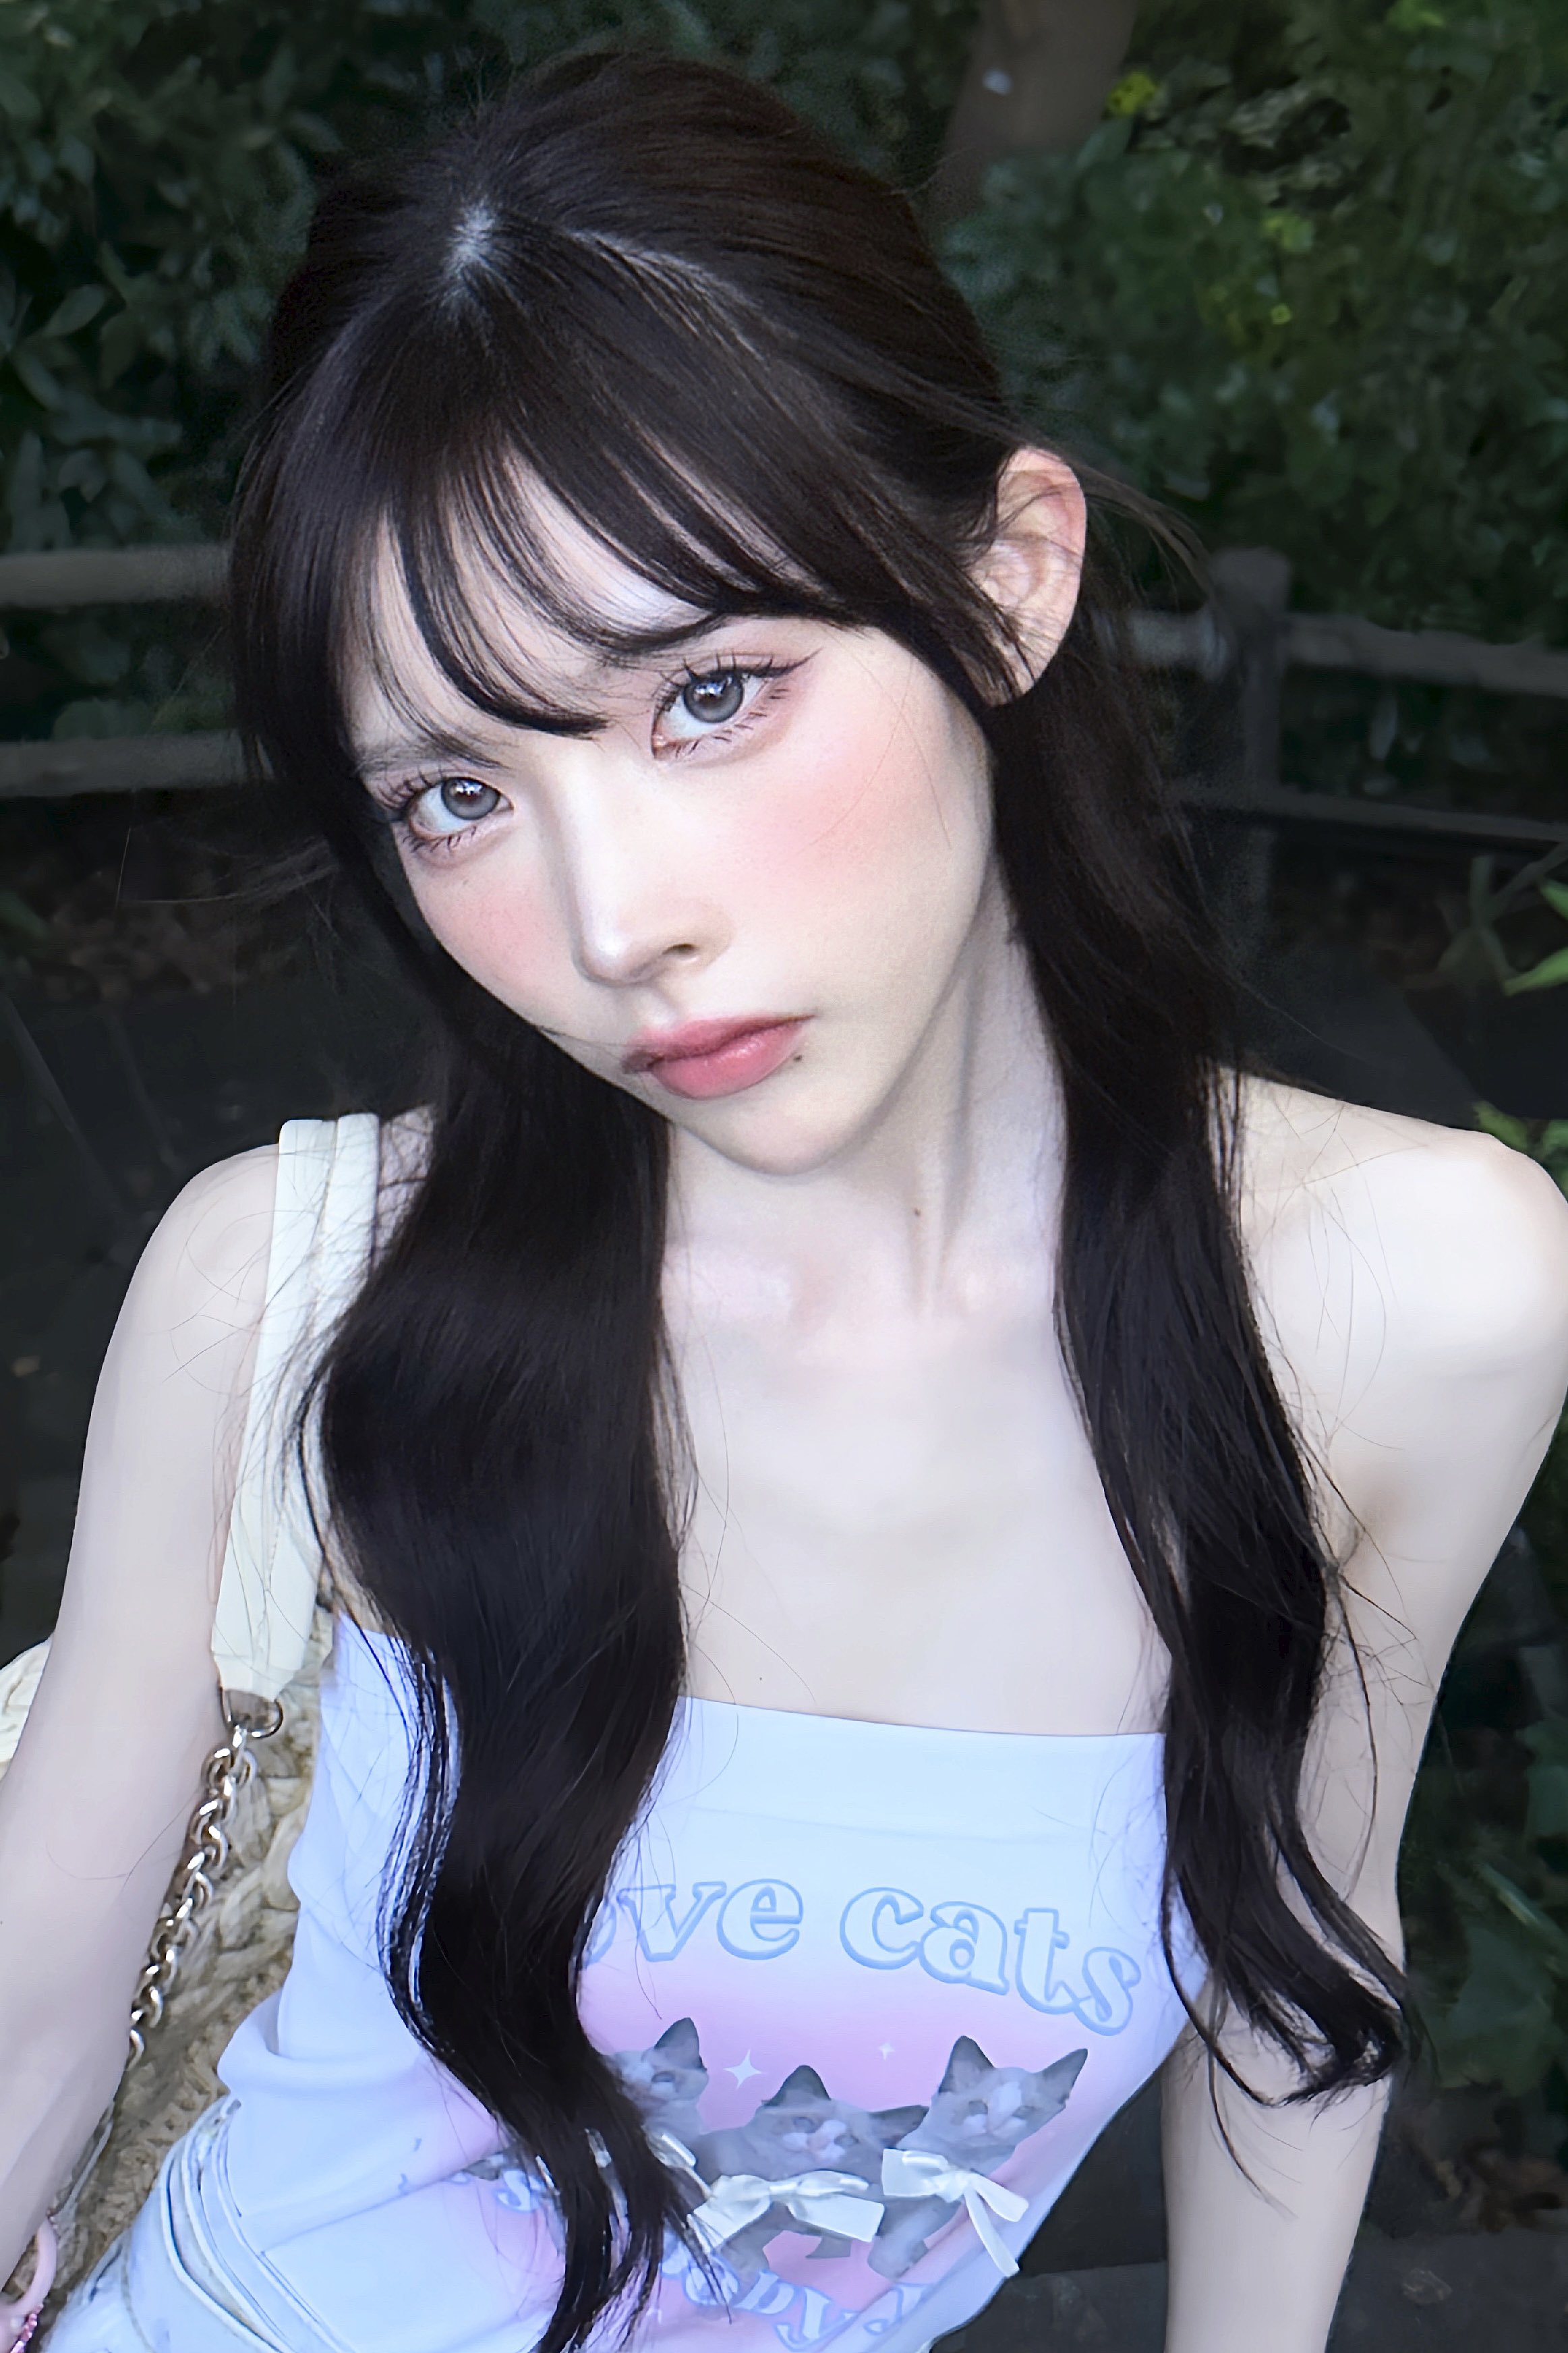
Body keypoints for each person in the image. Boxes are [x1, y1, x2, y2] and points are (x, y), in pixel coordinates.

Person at [3, 50, 1566, 2353]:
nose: (611, 919)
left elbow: (1298, 1952)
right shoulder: (294, 1297)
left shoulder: (1416, 1303)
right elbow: (33, 2031)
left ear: (1009, 581)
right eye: (456, 796)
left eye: (712, 694)